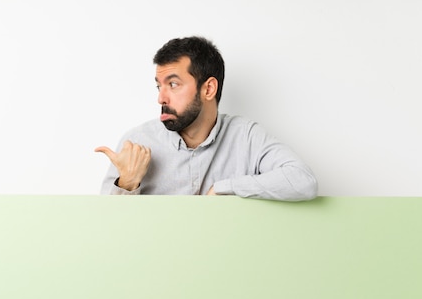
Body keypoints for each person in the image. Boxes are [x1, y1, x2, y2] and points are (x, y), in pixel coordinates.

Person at [95, 36, 318, 201]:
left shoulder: (246, 136)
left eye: (173, 85)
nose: (161, 97)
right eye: (159, 86)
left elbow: (302, 180)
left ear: (208, 89)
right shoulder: (138, 142)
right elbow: (107, 229)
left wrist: (225, 187)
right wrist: (127, 183)